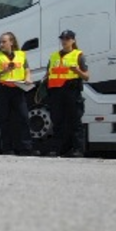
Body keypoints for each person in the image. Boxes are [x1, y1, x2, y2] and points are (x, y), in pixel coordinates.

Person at [0, 31, 35, 156]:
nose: (1, 44)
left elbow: (27, 69)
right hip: (2, 89)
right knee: (4, 120)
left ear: (11, 42)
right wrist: (5, 70)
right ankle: (7, 149)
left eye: (4, 41)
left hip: (18, 89)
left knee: (23, 117)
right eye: (1, 42)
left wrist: (28, 78)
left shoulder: (21, 55)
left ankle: (25, 148)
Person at [45, 29, 89, 157]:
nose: (64, 41)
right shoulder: (54, 56)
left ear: (73, 41)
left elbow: (86, 76)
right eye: (63, 39)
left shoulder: (78, 55)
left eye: (67, 39)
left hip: (71, 90)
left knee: (74, 120)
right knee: (57, 121)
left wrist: (77, 71)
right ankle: (59, 149)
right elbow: (49, 73)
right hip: (55, 92)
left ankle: (78, 149)